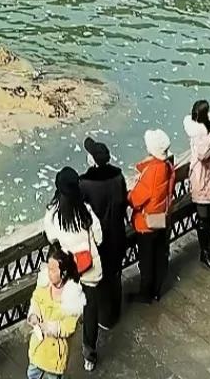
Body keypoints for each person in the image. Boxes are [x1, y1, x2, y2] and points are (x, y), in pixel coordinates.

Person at [43, 168, 103, 372]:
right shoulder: (86, 211)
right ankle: (89, 355)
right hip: (90, 269)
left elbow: (51, 238)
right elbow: (99, 237)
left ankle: (58, 344)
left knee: (64, 304)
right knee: (91, 310)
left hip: (70, 270)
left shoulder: (53, 216)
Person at [80, 139, 128, 334]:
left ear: (92, 160)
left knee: (100, 279)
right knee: (115, 275)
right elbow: (123, 202)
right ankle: (114, 313)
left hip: (99, 240)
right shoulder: (118, 176)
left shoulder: (85, 183)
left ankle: (103, 317)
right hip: (117, 233)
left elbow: (82, 214)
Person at [128, 129, 175, 303]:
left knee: (146, 261)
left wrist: (128, 193)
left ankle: (146, 294)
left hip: (147, 224)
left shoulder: (152, 171)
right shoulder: (167, 166)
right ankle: (157, 289)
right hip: (162, 218)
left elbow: (136, 199)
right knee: (159, 254)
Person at [26, 243, 85, 379]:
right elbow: (35, 300)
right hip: (38, 346)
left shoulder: (72, 299)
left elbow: (68, 327)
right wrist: (34, 314)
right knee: (32, 373)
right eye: (48, 268)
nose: (49, 272)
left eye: (53, 270)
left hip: (55, 354)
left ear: (63, 273)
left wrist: (49, 327)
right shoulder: (44, 285)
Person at [184, 100, 210, 271]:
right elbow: (203, 154)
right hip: (202, 179)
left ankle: (207, 250)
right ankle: (205, 252)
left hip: (209, 178)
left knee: (208, 218)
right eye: (209, 111)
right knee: (204, 218)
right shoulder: (199, 133)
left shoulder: (205, 129)